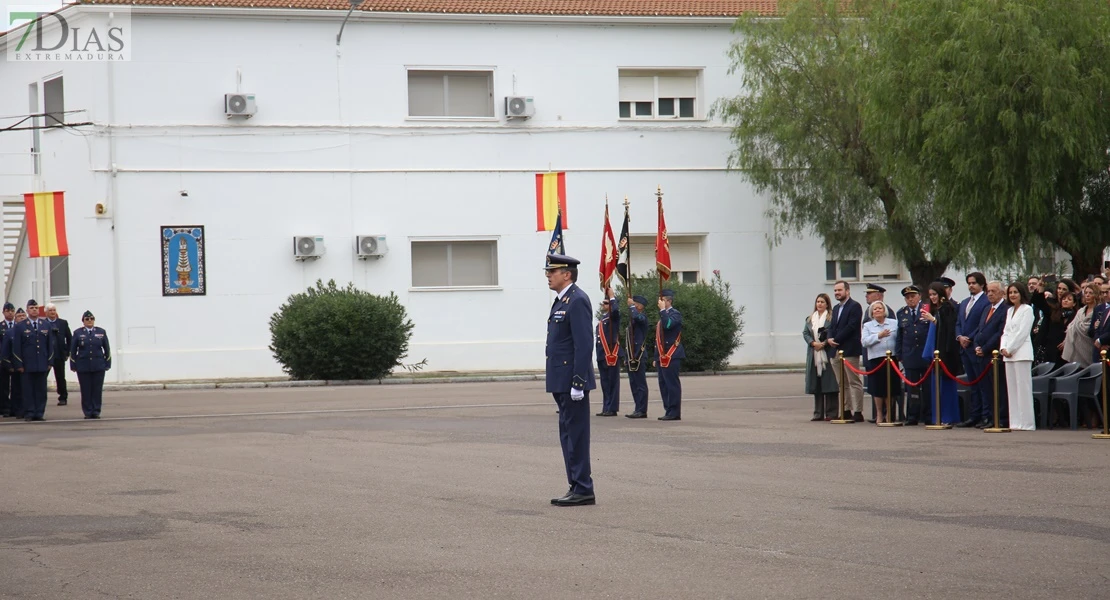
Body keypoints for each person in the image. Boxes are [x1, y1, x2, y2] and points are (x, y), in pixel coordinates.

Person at [543, 253, 596, 507]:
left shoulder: (577, 301)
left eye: (552, 272)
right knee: (568, 435)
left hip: (571, 381)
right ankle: (575, 485)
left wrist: (578, 381)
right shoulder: (561, 301)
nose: (548, 276)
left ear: (567, 274)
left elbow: (584, 346)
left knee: (576, 435)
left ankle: (583, 487)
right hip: (560, 380)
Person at [920, 283, 962, 425]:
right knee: (936, 387)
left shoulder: (947, 307)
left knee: (946, 387)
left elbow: (948, 329)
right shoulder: (937, 308)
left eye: (934, 294)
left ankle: (948, 417)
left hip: (945, 353)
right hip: (936, 353)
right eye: (930, 295)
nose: (932, 297)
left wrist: (933, 320)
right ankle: (938, 416)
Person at [973, 281, 1010, 428]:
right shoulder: (987, 308)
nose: (990, 294)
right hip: (982, 354)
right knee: (986, 389)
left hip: (994, 355)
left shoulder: (1005, 309)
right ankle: (989, 417)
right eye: (988, 291)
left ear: (1001, 293)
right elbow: (980, 329)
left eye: (993, 291)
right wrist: (976, 345)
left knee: (998, 388)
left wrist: (986, 348)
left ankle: (1001, 418)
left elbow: (999, 333)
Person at [826, 280, 864, 422]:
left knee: (853, 381)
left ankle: (858, 411)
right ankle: (846, 409)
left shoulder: (855, 306)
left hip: (849, 349)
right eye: (835, 290)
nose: (837, 293)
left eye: (839, 290)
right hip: (835, 350)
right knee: (842, 383)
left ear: (847, 291)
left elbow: (851, 326)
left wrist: (837, 339)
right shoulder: (835, 308)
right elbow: (832, 326)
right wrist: (829, 338)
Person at [955, 273, 989, 427]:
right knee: (973, 384)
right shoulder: (964, 302)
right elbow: (958, 323)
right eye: (969, 283)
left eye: (974, 283)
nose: (971, 286)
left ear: (981, 284)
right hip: (964, 348)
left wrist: (969, 337)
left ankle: (985, 415)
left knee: (982, 384)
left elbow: (982, 324)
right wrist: (959, 337)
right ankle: (974, 415)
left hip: (975, 346)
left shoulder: (986, 301)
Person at [1000, 281, 1035, 430]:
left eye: (1015, 292)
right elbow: (1006, 331)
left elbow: (1023, 332)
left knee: (1023, 388)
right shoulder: (1009, 311)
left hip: (1022, 352)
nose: (1013, 295)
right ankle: (1014, 422)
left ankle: (1026, 423)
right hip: (1008, 354)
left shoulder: (1027, 310)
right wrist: (1003, 348)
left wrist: (1011, 348)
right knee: (1012, 389)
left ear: (1021, 294)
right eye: (1010, 293)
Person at [12, 299, 54, 422]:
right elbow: (17, 347)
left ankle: (39, 412)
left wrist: (50, 362)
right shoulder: (20, 326)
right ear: (27, 310)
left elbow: (50, 345)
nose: (34, 310)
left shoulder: (45, 325)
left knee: (41, 390)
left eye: (36, 308)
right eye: (31, 308)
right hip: (27, 364)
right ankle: (30, 412)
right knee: (28, 390)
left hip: (42, 363)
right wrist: (19, 363)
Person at [896, 286, 931, 425]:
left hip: (925, 354)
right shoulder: (902, 313)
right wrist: (899, 354)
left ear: (919, 296)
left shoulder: (927, 310)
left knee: (928, 388)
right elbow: (900, 336)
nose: (910, 299)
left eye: (913, 296)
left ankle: (928, 415)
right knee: (912, 389)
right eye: (907, 297)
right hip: (909, 355)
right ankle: (913, 415)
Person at [862, 301, 900, 423]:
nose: (877, 310)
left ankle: (889, 413)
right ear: (871, 313)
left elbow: (899, 339)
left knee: (891, 387)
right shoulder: (868, 326)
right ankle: (879, 413)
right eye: (875, 309)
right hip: (876, 360)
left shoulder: (894, 323)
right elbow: (864, 342)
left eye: (880, 308)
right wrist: (879, 335)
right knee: (878, 388)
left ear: (884, 311)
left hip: (891, 359)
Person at [803, 293, 839, 421]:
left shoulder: (831, 318)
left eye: (822, 302)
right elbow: (806, 333)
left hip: (827, 353)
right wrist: (813, 343)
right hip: (814, 354)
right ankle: (818, 413)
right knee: (817, 383)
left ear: (827, 304)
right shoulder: (810, 318)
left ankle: (832, 413)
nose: (819, 304)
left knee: (830, 384)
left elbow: (833, 332)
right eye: (818, 301)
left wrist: (823, 344)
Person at [70, 310, 111, 419]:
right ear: (83, 321)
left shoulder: (101, 332)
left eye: (91, 319)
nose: (89, 321)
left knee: (97, 389)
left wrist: (107, 363)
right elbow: (73, 351)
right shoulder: (78, 333)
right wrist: (73, 365)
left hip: (98, 365)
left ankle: (96, 411)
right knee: (86, 389)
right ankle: (88, 411)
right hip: (83, 366)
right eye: (87, 319)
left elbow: (107, 349)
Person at [655, 288, 685, 421]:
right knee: (663, 384)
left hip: (672, 354)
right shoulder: (663, 316)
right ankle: (668, 410)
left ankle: (674, 412)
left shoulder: (675, 314)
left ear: (669, 300)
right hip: (662, 355)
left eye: (662, 300)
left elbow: (668, 325)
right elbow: (658, 339)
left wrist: (662, 311)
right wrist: (656, 357)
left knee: (672, 384)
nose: (659, 302)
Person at [595, 286, 622, 417]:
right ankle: (606, 407)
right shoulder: (603, 318)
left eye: (606, 303)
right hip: (602, 354)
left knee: (612, 382)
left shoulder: (613, 316)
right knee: (605, 383)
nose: (604, 305)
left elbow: (616, 310)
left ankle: (612, 408)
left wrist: (612, 296)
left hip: (611, 353)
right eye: (604, 303)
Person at [624, 295, 651, 419]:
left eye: (635, 304)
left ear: (640, 306)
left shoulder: (642, 317)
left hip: (639, 355)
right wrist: (626, 357)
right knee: (633, 384)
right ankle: (637, 408)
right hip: (631, 355)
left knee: (640, 384)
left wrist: (631, 307)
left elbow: (637, 317)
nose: (633, 306)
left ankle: (642, 410)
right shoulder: (633, 320)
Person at [44, 303, 72, 406]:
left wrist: (67, 352)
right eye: (50, 310)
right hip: (47, 356)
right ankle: (41, 397)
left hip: (59, 354)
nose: (52, 312)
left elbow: (69, 338)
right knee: (43, 377)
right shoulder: (43, 323)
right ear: (46, 312)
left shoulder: (63, 323)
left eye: (54, 310)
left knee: (60, 377)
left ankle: (63, 397)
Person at [0, 302, 14, 417]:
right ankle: (5, 408)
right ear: (3, 312)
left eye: (12, 310)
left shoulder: (18, 326)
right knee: (4, 386)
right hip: (3, 360)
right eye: (7, 310)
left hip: (16, 360)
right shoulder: (1, 326)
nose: (10, 312)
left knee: (16, 386)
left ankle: (14, 407)